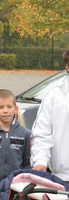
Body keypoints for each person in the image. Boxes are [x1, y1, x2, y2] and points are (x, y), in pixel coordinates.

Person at [32, 49, 69, 182]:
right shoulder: (54, 96)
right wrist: (40, 161)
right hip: (63, 178)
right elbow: (42, 134)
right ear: (68, 67)